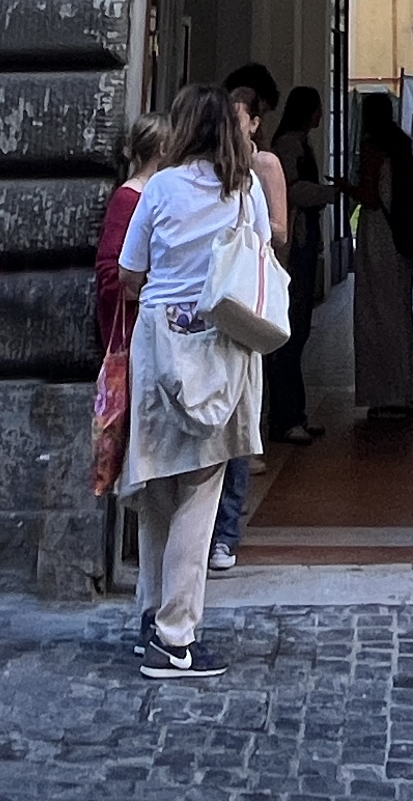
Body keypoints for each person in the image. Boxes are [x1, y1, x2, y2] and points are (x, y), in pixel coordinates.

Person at [116, 83, 275, 678]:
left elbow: (129, 273)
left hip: (160, 343)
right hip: (221, 349)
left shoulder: (159, 188)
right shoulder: (245, 189)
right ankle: (174, 636)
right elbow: (261, 257)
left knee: (158, 489)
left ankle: (151, 617)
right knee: (200, 493)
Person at [209, 67, 294, 563]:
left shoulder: (262, 168)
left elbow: (277, 232)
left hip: (243, 297)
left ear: (254, 123)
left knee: (239, 412)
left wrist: (242, 238)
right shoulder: (196, 172)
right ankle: (211, 529)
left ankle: (224, 531)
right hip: (204, 307)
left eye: (237, 118)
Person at [94, 116, 168, 529]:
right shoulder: (129, 199)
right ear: (163, 150)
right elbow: (111, 273)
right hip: (136, 334)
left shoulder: (155, 194)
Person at [346, 91, 413, 422]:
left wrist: (344, 188)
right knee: (398, 310)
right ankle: (407, 385)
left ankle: (385, 393)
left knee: (375, 313)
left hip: (378, 233)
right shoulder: (401, 145)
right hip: (400, 234)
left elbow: (369, 196)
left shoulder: (372, 147)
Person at [266, 83, 328, 445]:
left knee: (298, 329)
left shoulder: (298, 142)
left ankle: (294, 412)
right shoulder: (291, 145)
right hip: (295, 247)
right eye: (317, 107)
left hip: (303, 243)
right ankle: (286, 415)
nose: (321, 113)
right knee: (291, 330)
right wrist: (329, 194)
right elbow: (294, 190)